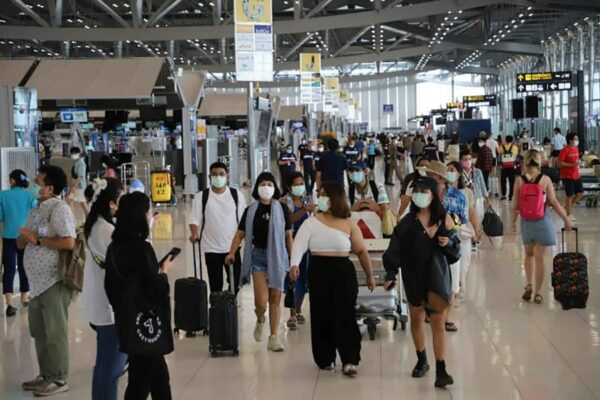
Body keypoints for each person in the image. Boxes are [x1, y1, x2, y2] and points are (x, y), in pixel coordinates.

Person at [290, 182, 375, 376]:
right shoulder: (311, 222)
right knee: (322, 315)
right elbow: (299, 245)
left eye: (324, 194)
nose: (320, 198)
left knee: (345, 315)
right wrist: (294, 265)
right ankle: (325, 357)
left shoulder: (349, 223)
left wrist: (369, 275)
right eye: (319, 194)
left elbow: (361, 251)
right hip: (319, 272)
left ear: (336, 198)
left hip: (343, 273)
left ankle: (349, 359)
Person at [382, 176, 460, 388]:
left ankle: (441, 369)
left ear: (433, 195)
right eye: (416, 191)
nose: (419, 195)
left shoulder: (445, 219)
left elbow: (455, 251)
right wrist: (390, 274)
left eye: (424, 191)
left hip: (437, 275)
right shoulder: (406, 224)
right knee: (416, 317)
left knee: (437, 322)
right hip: (414, 275)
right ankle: (422, 358)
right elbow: (393, 251)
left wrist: (448, 243)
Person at [105, 192, 175, 399]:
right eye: (148, 211)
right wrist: (163, 272)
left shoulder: (114, 247)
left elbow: (111, 287)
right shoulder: (142, 249)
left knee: (158, 377)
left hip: (127, 321)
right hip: (147, 325)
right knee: (141, 380)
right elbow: (154, 290)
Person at [17, 165, 76, 396]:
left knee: (55, 332)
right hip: (36, 284)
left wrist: (39, 240)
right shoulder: (37, 209)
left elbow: (68, 242)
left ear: (49, 188)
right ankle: (45, 374)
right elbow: (29, 237)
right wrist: (24, 239)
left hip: (54, 281)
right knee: (39, 332)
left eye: (37, 181)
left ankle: (59, 378)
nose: (33, 184)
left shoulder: (59, 210)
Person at [226, 172, 293, 352]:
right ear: (257, 187)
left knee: (275, 298)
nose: (266, 187)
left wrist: (293, 260)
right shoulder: (251, 210)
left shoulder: (282, 209)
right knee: (261, 301)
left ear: (275, 187)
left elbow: (288, 235)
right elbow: (240, 234)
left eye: (269, 184)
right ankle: (260, 318)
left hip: (278, 256)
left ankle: (273, 337)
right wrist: (232, 252)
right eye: (263, 184)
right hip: (258, 257)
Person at [81, 177, 127, 400]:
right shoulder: (105, 230)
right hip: (110, 307)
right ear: (111, 202)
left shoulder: (96, 224)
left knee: (103, 364)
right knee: (111, 367)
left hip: (101, 304)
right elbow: (128, 261)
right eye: (122, 197)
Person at [512, 150, 572, 304]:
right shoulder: (545, 180)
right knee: (540, 259)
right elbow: (553, 202)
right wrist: (566, 219)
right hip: (542, 221)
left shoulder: (519, 180)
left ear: (525, 162)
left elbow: (515, 205)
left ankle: (528, 285)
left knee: (528, 255)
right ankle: (538, 293)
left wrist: (512, 222)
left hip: (526, 222)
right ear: (539, 162)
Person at [189, 162, 247, 293]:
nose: (218, 177)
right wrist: (194, 233)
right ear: (209, 177)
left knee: (236, 282)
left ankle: (229, 304)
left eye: (221, 174)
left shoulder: (236, 195)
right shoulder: (201, 197)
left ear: (227, 176)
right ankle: (217, 308)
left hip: (233, 247)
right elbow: (194, 219)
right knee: (216, 285)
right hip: (211, 248)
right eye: (214, 174)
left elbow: (244, 220)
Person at [280, 172, 316, 330]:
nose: (300, 187)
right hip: (291, 243)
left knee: (304, 277)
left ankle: (300, 309)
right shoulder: (284, 201)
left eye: (302, 183)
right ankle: (292, 313)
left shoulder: (307, 199)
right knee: (292, 278)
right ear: (289, 187)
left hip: (308, 245)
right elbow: (288, 220)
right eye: (296, 184)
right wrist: (303, 210)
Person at [0, 170, 35, 316]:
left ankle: (9, 302)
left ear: (12, 180)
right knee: (24, 266)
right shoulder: (29, 195)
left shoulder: (3, 195)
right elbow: (34, 213)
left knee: (8, 268)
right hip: (25, 237)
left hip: (8, 236)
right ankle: (24, 298)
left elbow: (1, 216)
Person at [446, 161, 479, 310]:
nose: (449, 172)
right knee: (450, 265)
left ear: (459, 174)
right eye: (447, 170)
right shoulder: (442, 192)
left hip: (462, 232)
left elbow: (471, 212)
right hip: (447, 232)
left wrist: (476, 230)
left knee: (463, 264)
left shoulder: (467, 193)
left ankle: (458, 291)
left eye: (452, 170)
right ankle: (451, 293)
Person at [460, 150, 489, 247]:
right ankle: (473, 238)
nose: (468, 161)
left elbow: (483, 185)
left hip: (477, 197)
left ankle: (477, 236)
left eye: (469, 159)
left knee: (478, 217)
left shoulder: (477, 171)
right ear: (461, 161)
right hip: (465, 198)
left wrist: (487, 198)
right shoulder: (459, 173)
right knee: (467, 218)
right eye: (465, 159)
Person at [558, 132, 584, 221]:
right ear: (570, 140)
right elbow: (560, 163)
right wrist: (571, 165)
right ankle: (568, 215)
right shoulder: (564, 150)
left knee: (580, 194)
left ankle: (566, 206)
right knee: (570, 196)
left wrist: (578, 163)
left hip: (576, 175)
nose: (577, 141)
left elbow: (576, 160)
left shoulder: (576, 148)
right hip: (568, 176)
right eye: (575, 139)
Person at [67, 147, 89, 217]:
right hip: (77, 187)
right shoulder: (77, 162)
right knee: (70, 201)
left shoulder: (81, 163)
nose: (73, 155)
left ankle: (88, 219)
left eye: (75, 153)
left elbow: (80, 176)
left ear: (79, 153)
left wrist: (74, 186)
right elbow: (75, 174)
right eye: (72, 153)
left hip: (80, 187)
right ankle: (72, 218)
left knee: (82, 204)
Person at [498, 135, 519, 200]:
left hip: (504, 166)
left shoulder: (501, 147)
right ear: (512, 140)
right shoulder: (515, 147)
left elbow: (499, 155)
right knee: (512, 181)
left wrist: (499, 165)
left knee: (503, 181)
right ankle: (510, 196)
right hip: (512, 166)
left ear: (505, 140)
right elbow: (516, 155)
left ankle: (503, 195)